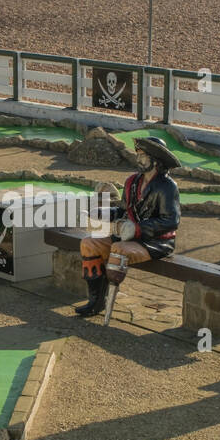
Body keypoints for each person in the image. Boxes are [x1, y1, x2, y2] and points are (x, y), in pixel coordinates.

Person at [76, 135, 182, 318]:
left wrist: (138, 229)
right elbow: (124, 210)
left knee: (118, 248)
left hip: (155, 242)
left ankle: (108, 303)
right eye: (138, 155)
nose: (138, 159)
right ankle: (96, 301)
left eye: (143, 156)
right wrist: (102, 213)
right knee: (88, 244)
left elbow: (171, 221)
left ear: (156, 161)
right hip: (129, 237)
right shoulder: (132, 182)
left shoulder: (167, 187)